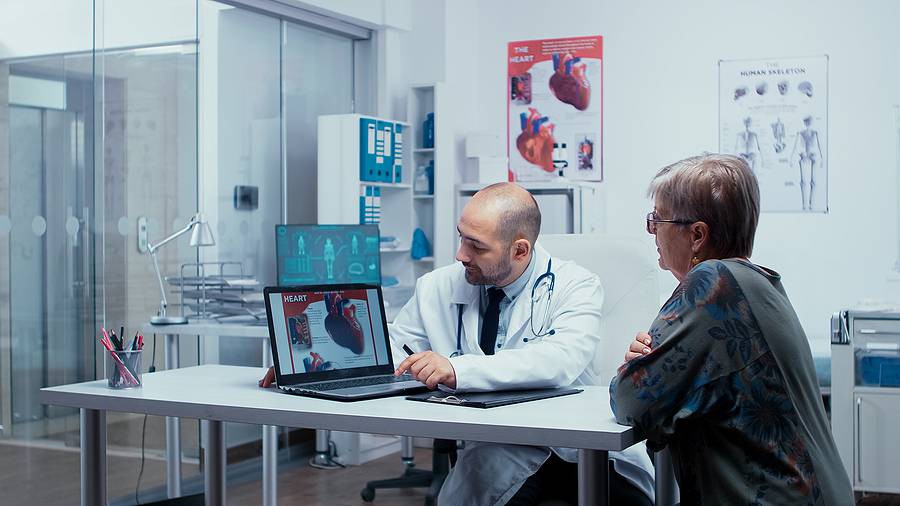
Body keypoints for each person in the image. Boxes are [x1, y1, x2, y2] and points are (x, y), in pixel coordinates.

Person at [260, 182, 654, 505]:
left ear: (520, 250)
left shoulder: (575, 284)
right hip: (499, 448)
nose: (460, 254)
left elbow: (562, 359)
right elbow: (397, 351)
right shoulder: (438, 285)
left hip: (578, 452)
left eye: (476, 247)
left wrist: (457, 368)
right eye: (461, 238)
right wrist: (320, 364)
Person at [610, 154, 853, 505]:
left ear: (697, 235)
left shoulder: (713, 283)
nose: (652, 232)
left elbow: (630, 400)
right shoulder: (759, 282)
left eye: (657, 220)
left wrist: (635, 368)